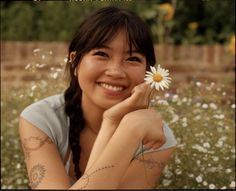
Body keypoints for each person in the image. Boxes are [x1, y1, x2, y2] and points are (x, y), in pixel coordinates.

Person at [19, 6, 177, 189]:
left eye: (132, 58)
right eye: (101, 54)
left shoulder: (156, 138)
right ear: (75, 61)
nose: (116, 71)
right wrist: (120, 126)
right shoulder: (42, 119)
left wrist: (124, 128)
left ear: (148, 72)